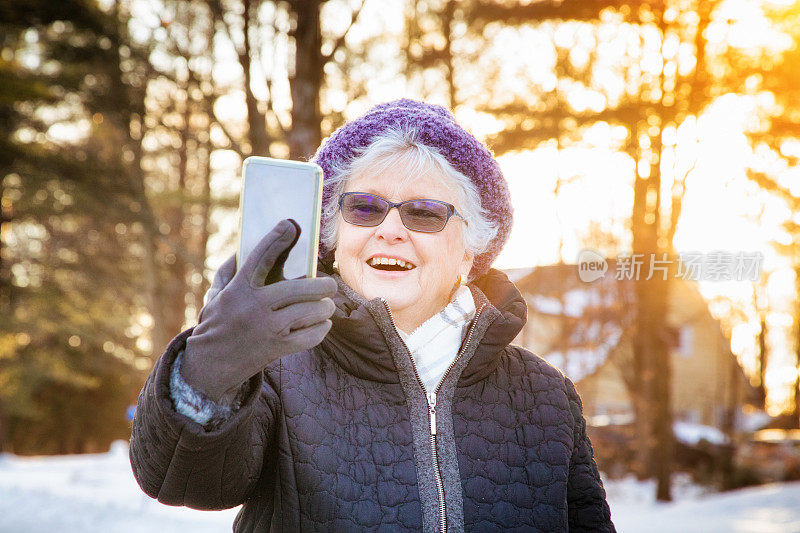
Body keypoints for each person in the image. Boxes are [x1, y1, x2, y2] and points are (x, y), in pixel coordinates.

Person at [129, 99, 615, 532]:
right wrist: (212, 365)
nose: (390, 230)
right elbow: (181, 481)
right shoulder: (276, 370)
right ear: (333, 239)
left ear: (470, 252)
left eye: (424, 213)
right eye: (364, 208)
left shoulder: (547, 394)